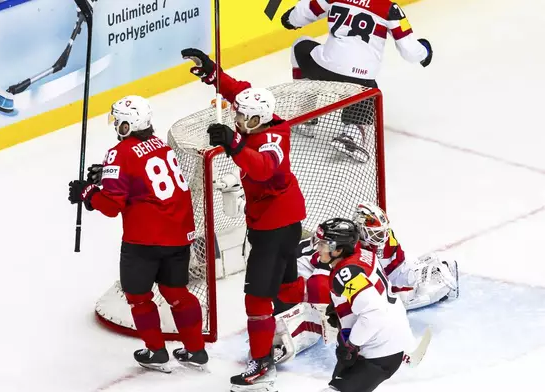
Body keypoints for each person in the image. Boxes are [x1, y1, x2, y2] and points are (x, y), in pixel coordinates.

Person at [182, 48, 307, 392]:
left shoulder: (272, 140)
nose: (241, 123)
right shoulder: (261, 114)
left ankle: (262, 363)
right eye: (240, 118)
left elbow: (263, 168)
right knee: (284, 284)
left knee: (256, 298)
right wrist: (213, 72)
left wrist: (234, 144)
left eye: (248, 121)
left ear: (262, 120)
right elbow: (239, 92)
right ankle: (319, 310)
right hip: (281, 219)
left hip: (274, 226)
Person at [67, 95, 207, 373]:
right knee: (176, 292)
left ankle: (156, 352)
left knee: (139, 297)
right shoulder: (162, 147)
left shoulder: (119, 153)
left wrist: (88, 193)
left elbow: (110, 206)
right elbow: (141, 181)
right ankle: (196, 350)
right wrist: (105, 179)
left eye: (118, 121)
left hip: (144, 241)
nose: (116, 126)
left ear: (127, 125)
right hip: (179, 235)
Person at [271, 202, 459, 365]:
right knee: (334, 314)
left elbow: (395, 270)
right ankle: (278, 342)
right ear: (361, 230)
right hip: (295, 277)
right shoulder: (342, 248)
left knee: (386, 301)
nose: (381, 238)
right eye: (375, 234)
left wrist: (413, 280)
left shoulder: (381, 240)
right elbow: (320, 287)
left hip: (318, 278)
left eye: (381, 233)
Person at [280, 0, 433, 162]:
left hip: (325, 68)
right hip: (362, 81)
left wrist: (289, 19)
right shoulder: (391, 9)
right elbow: (409, 51)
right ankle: (353, 133)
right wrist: (425, 51)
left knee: (300, 45)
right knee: (366, 89)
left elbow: (301, 14)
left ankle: (307, 113)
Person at [313, 217, 414, 391]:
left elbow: (375, 313)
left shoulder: (346, 274)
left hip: (380, 351)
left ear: (337, 250)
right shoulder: (363, 253)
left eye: (323, 244)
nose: (318, 249)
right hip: (388, 338)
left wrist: (351, 344)